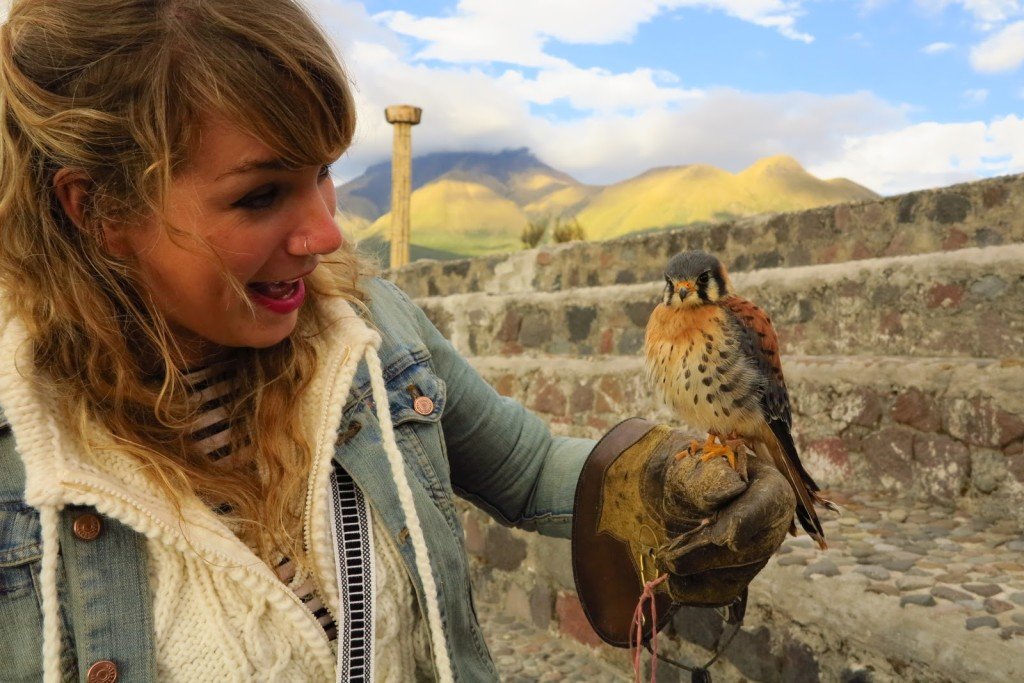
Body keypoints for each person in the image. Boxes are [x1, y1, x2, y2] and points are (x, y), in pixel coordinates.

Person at [0, 1, 793, 681]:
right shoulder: (20, 435)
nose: (325, 232)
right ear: (97, 209)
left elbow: (521, 466)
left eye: (323, 174)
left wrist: (659, 483)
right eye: (261, 194)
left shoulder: (369, 322)